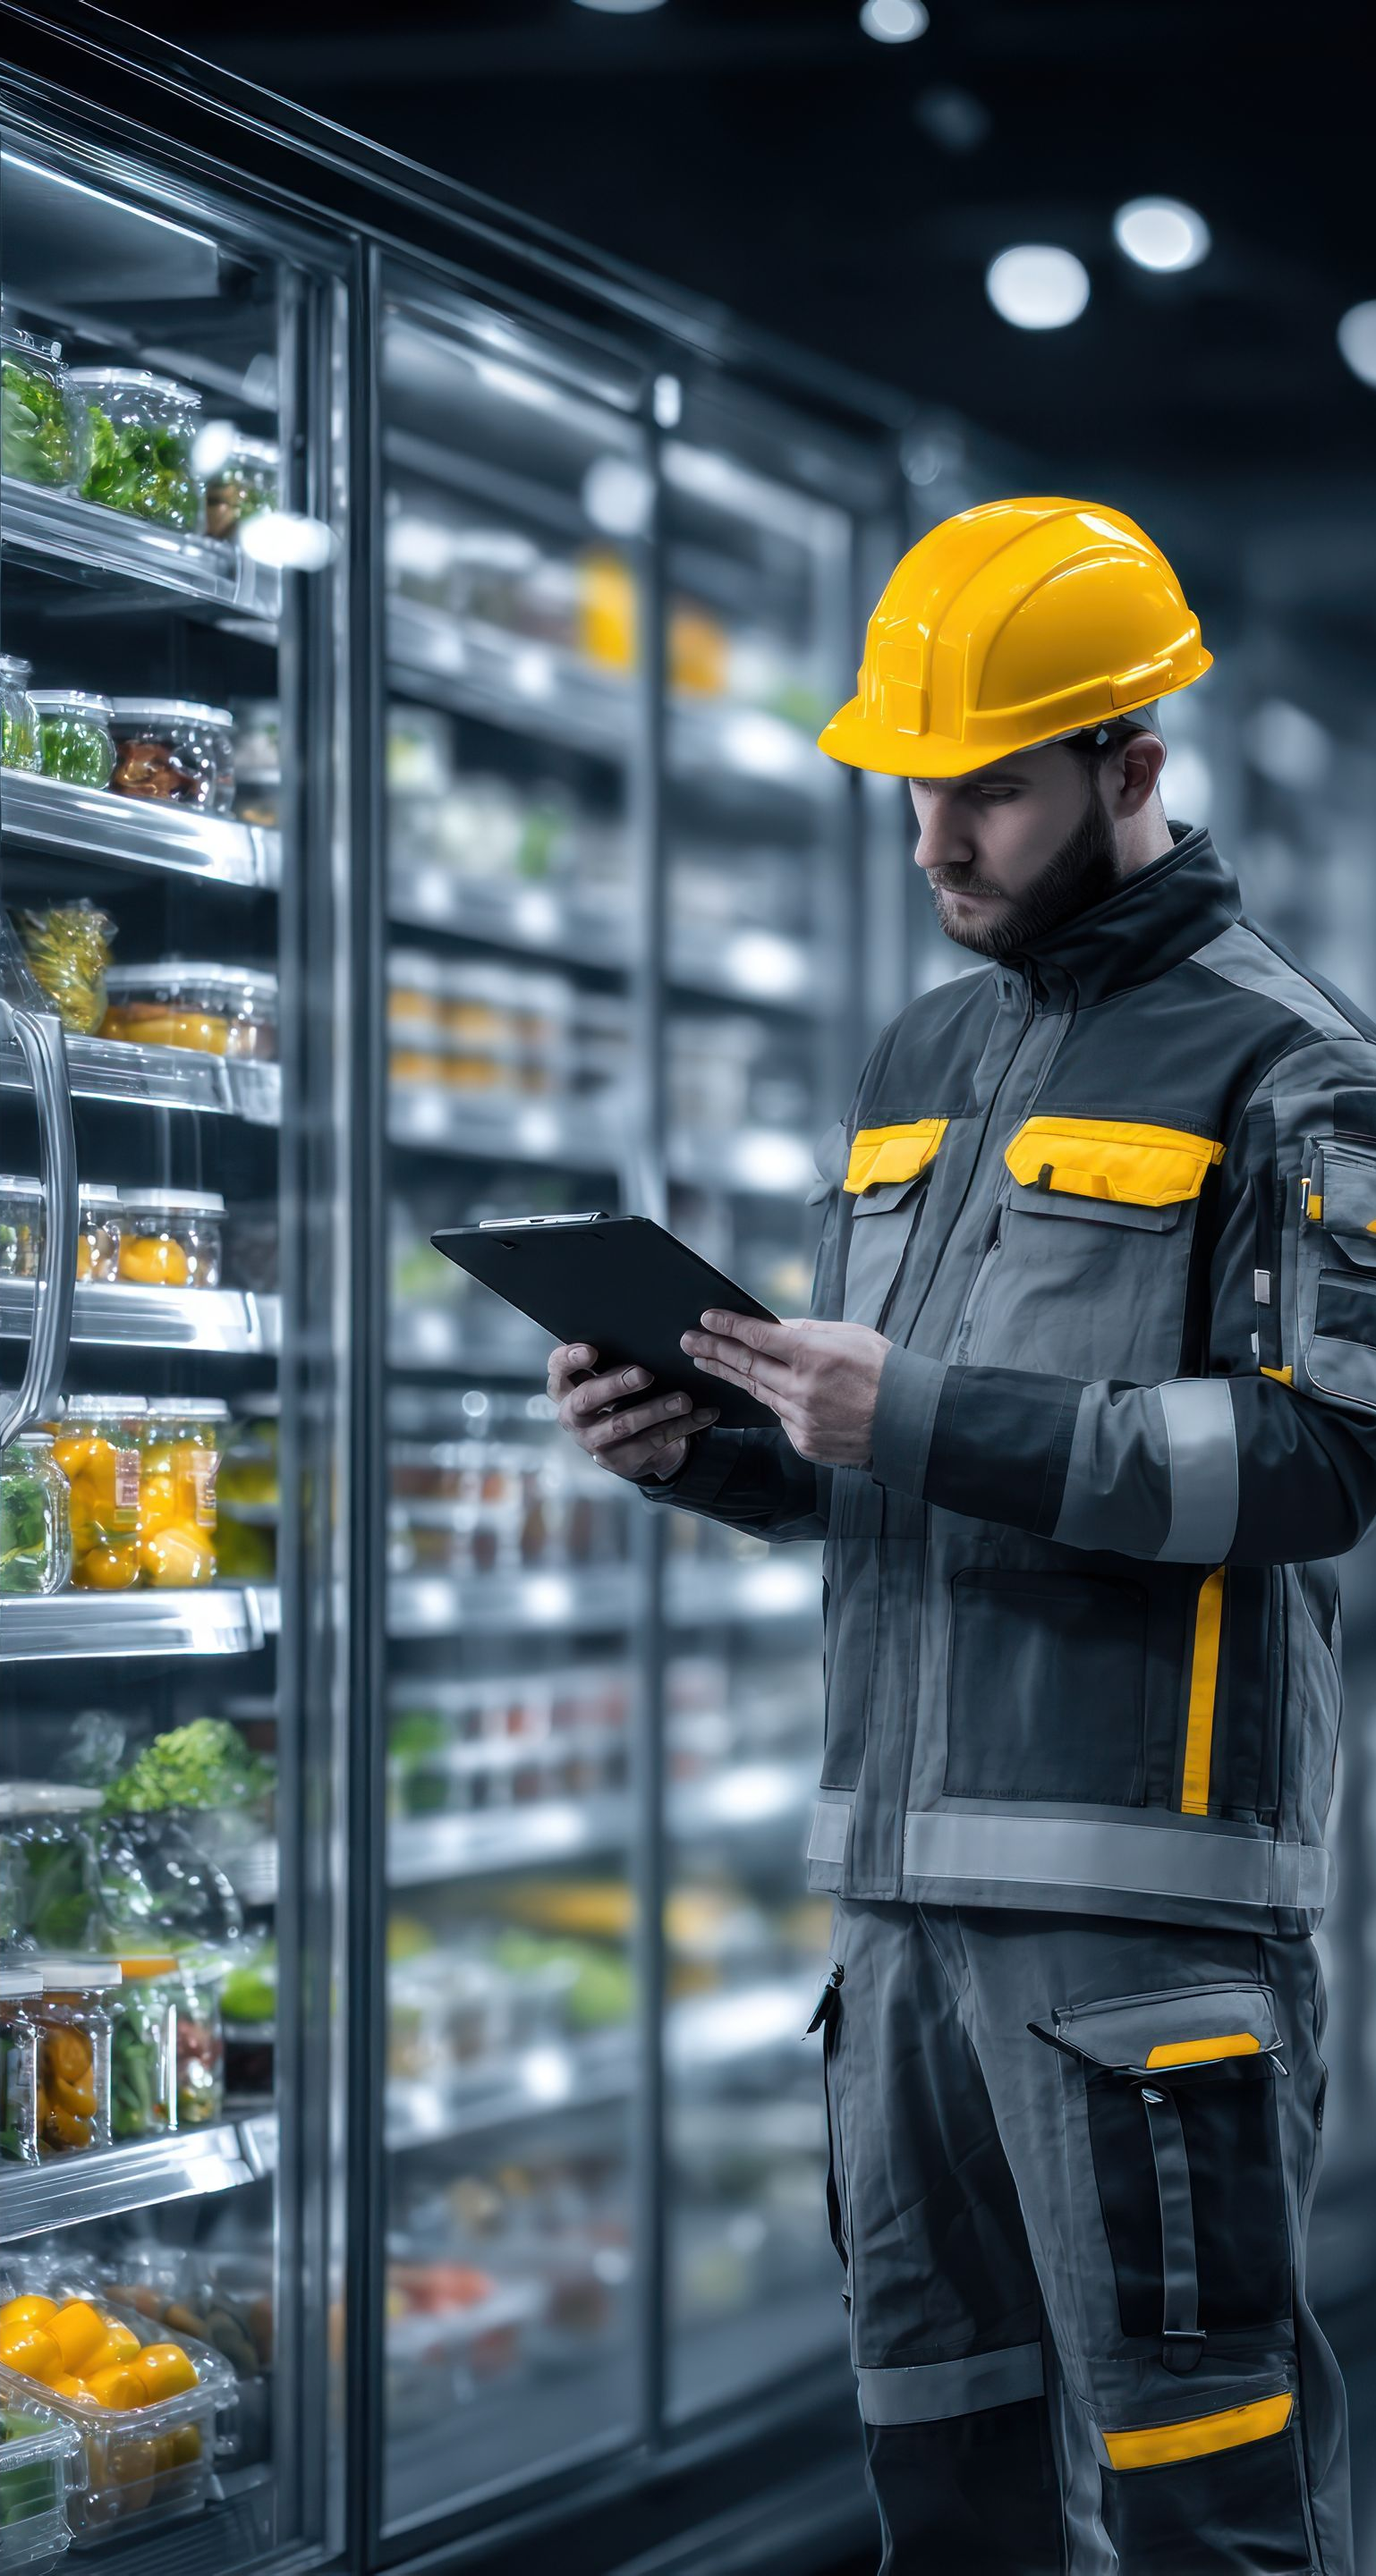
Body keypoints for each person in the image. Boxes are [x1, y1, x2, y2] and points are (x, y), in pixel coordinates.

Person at [546, 498, 1372, 2572]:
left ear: (1133, 768)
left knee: (1205, 2501)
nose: (938, 848)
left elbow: (1328, 1464)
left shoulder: (1300, 1067)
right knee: (949, 2491)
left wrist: (920, 1409)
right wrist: (713, 1447)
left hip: (1144, 1931)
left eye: (990, 794)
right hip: (895, 1927)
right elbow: (893, 1472)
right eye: (916, 798)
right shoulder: (921, 1060)